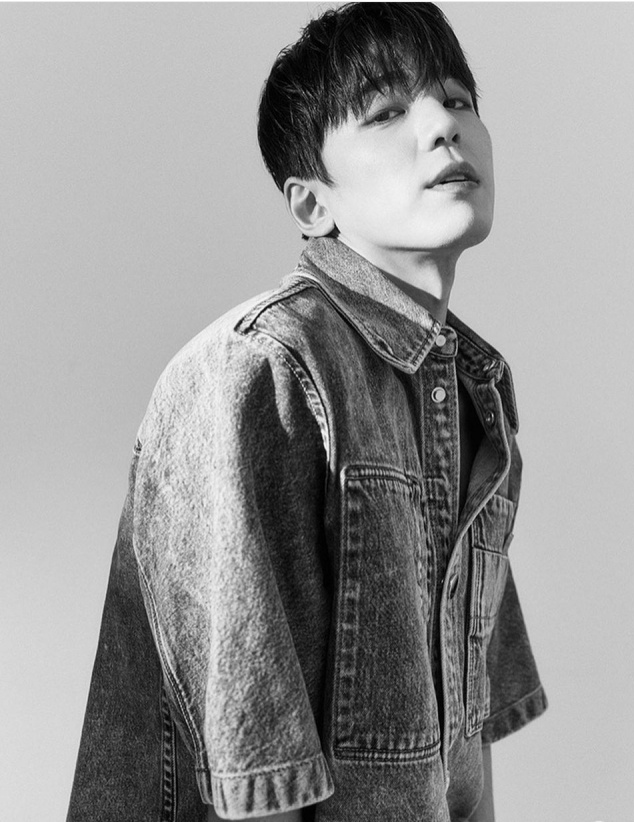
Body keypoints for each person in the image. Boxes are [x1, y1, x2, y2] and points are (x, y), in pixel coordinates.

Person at [67, 4, 547, 821]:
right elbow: (257, 783)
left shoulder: (470, 391)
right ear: (312, 205)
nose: (443, 126)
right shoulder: (260, 371)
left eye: (458, 99)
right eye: (387, 112)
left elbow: (464, 759)